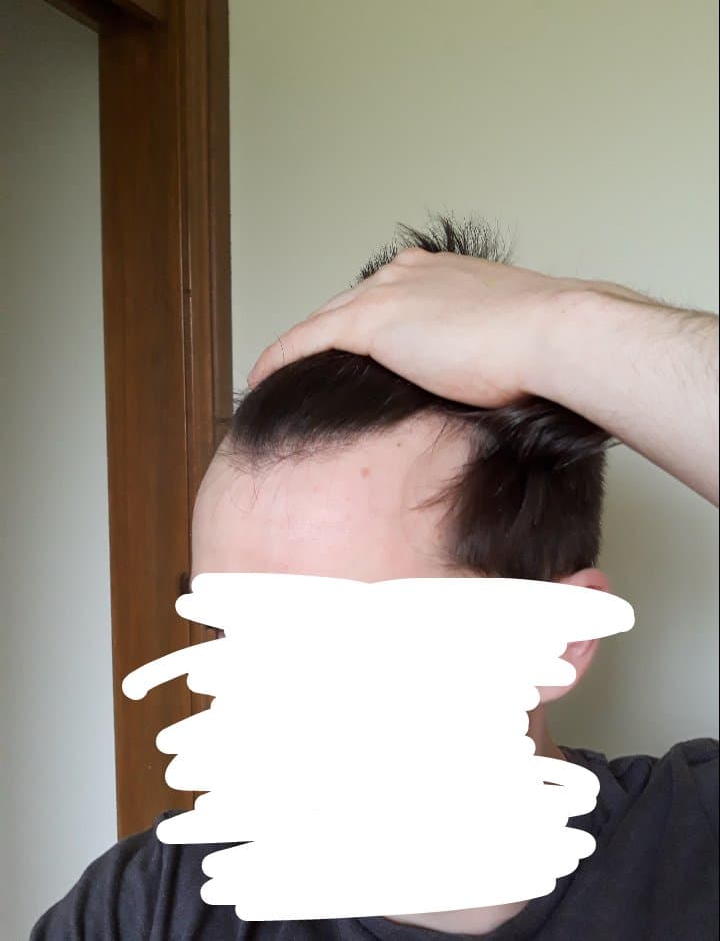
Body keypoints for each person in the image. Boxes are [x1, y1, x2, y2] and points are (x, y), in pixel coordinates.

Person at [31, 216, 718, 940]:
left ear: (560, 640)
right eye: (232, 630)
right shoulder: (147, 906)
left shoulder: (694, 848)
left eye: (339, 639)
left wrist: (559, 328)